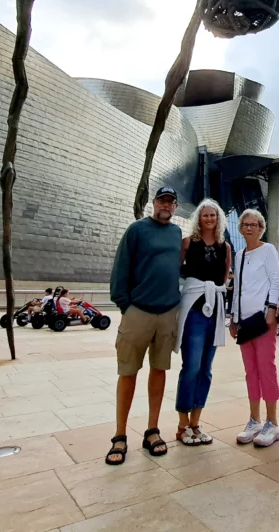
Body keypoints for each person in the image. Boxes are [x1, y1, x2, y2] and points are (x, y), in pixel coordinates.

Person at [106, 187, 183, 465]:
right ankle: (119, 435)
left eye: (171, 202)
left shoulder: (177, 234)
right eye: (162, 200)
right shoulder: (136, 230)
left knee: (159, 370)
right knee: (128, 372)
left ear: (175, 207)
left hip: (168, 313)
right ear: (154, 203)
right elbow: (120, 268)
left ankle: (152, 430)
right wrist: (125, 306)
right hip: (138, 311)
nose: (166, 205)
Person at [175, 199, 231, 446]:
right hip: (194, 310)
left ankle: (196, 423)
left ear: (218, 219)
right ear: (199, 218)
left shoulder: (225, 247)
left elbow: (224, 279)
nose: (209, 219)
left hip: (215, 309)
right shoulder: (188, 243)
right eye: (205, 215)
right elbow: (176, 273)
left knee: (206, 368)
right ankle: (182, 424)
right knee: (191, 366)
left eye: (213, 215)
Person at [230, 208, 279, 447]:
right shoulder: (238, 255)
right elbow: (237, 288)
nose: (250, 227)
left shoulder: (268, 250)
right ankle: (254, 419)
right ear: (241, 229)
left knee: (266, 368)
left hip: (262, 319)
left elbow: (275, 279)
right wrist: (233, 317)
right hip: (244, 321)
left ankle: (273, 422)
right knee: (250, 371)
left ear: (262, 228)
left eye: (255, 224)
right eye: (246, 224)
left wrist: (272, 308)